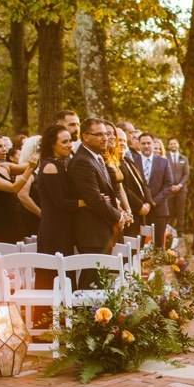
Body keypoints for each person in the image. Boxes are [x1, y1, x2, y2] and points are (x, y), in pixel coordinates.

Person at [69, 119, 126, 288]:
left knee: (99, 282)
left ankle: (100, 314)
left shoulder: (96, 158)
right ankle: (85, 313)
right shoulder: (82, 161)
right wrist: (118, 217)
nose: (105, 138)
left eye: (106, 134)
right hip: (91, 232)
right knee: (90, 283)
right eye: (99, 134)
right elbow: (94, 199)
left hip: (101, 230)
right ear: (85, 137)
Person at [36, 125, 85, 287]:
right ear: (52, 144)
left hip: (63, 226)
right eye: (64, 141)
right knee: (54, 273)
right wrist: (85, 203)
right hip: (54, 229)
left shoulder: (61, 164)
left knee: (65, 272)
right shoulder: (50, 167)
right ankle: (50, 311)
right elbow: (60, 202)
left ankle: (65, 309)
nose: (69, 145)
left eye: (70, 141)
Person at [0, 132, 37, 243]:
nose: (4, 149)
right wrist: (30, 168)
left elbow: (29, 165)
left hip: (14, 220)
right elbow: (14, 188)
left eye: (4, 146)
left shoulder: (5, 166)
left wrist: (39, 151)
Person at [139, 132, 173, 247]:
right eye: (143, 143)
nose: (146, 145)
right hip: (140, 209)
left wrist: (152, 203)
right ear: (139, 145)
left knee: (159, 245)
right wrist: (142, 204)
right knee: (139, 245)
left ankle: (160, 264)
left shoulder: (163, 162)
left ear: (153, 144)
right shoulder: (133, 161)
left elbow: (168, 185)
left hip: (159, 209)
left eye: (149, 143)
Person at [118, 128, 152, 239]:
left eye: (123, 140)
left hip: (142, 212)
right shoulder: (114, 164)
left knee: (139, 250)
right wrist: (139, 205)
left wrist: (148, 202)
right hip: (131, 212)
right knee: (130, 251)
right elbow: (122, 187)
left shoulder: (128, 159)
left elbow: (142, 183)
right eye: (119, 140)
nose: (122, 143)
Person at [16, 135, 43, 239]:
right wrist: (41, 213)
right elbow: (23, 196)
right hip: (31, 218)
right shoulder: (26, 170)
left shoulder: (41, 169)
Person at [164, 138, 190, 236]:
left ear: (178, 145)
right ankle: (168, 231)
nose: (173, 145)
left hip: (181, 189)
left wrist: (179, 185)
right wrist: (170, 186)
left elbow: (186, 174)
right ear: (168, 146)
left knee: (180, 210)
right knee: (169, 210)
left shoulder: (184, 158)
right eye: (171, 144)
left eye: (175, 143)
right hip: (169, 189)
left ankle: (180, 231)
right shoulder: (165, 157)